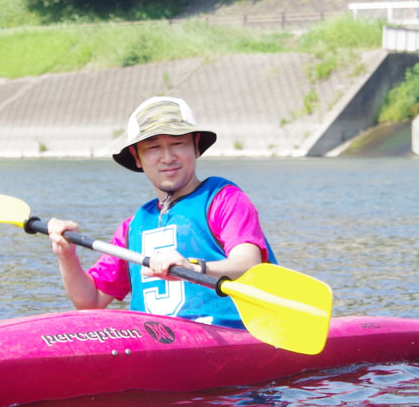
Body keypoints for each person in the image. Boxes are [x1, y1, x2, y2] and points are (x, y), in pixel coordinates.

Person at [47, 96, 275, 329]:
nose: (168, 158)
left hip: (230, 332)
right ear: (137, 157)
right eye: (153, 147)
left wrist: (196, 268)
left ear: (196, 145)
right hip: (156, 340)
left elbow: (248, 263)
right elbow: (91, 301)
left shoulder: (224, 199)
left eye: (177, 144)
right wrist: (67, 256)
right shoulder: (134, 226)